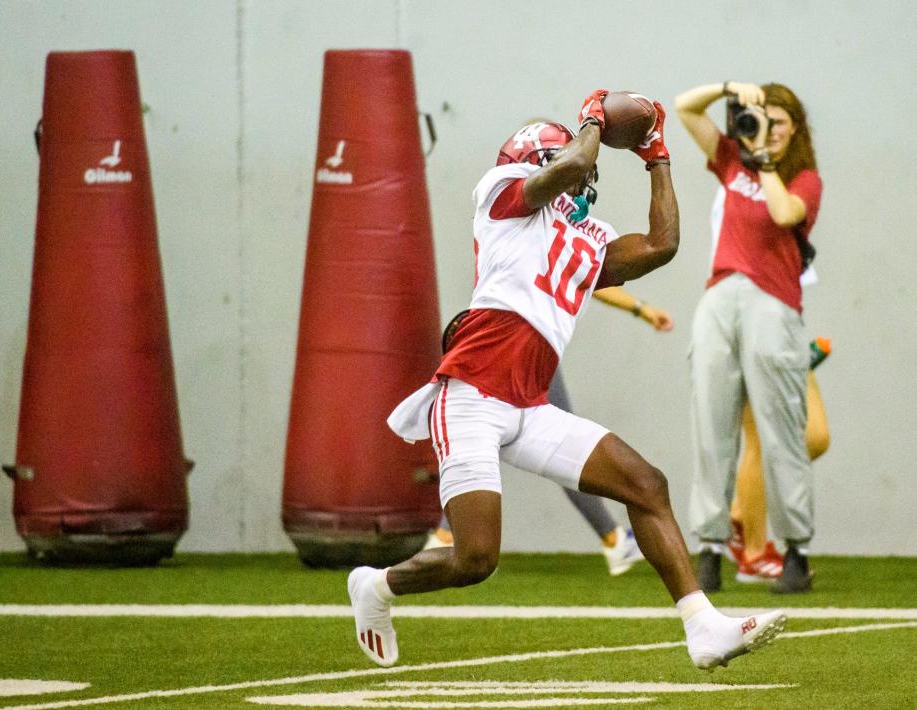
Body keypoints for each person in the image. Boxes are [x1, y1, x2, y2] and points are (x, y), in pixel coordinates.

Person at [347, 91, 785, 669]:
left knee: (646, 485)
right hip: (471, 396)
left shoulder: (586, 236)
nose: (587, 179)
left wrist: (658, 156)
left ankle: (702, 627)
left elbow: (662, 243)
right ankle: (375, 588)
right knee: (475, 559)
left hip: (529, 404)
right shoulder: (501, 194)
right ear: (538, 161)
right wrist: (595, 117)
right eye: (580, 164)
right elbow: (575, 164)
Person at [675, 81, 822, 593]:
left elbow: (784, 214)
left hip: (773, 304)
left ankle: (796, 550)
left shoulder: (804, 179)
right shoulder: (732, 161)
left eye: (779, 122)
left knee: (782, 432)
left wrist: (763, 159)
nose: (769, 130)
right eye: (763, 119)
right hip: (721, 294)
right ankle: (710, 547)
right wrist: (726, 90)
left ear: (795, 128)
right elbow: (683, 109)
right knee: (710, 427)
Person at [425, 286, 674, 579]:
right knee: (561, 443)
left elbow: (591, 279)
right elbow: (594, 281)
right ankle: (613, 538)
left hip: (506, 341)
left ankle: (613, 537)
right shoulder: (535, 249)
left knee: (520, 438)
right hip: (518, 343)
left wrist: (640, 308)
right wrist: (641, 308)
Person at [729, 340, 831, 582]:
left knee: (816, 438)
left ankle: (737, 516)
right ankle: (754, 556)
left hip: (787, 331)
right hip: (753, 335)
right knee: (760, 443)